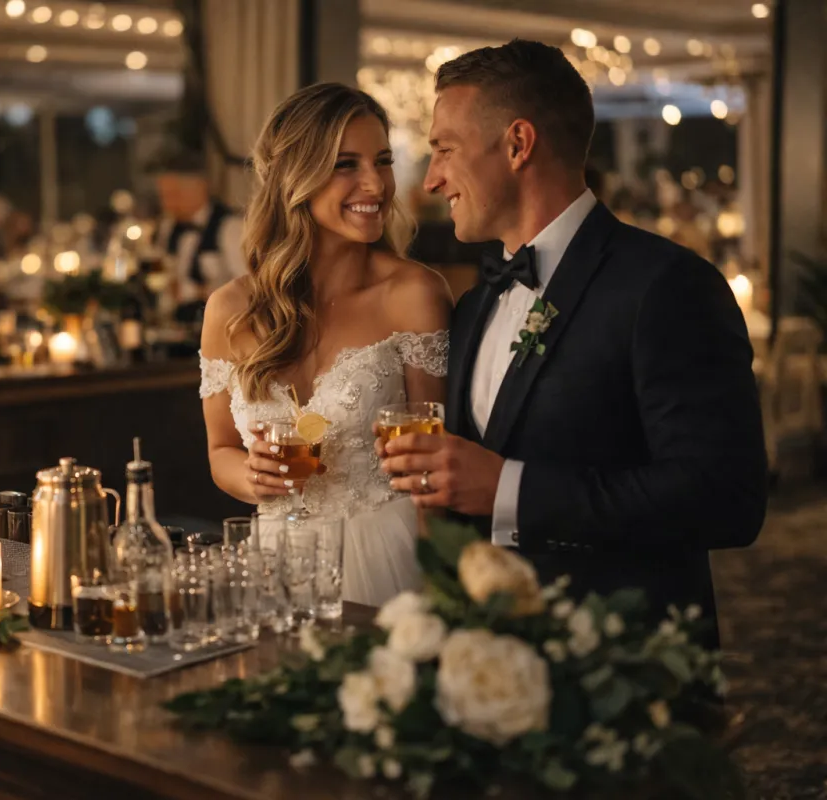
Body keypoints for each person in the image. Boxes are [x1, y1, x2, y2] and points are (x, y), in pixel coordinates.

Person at [379, 40, 766, 643]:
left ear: (518, 144)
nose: (431, 180)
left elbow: (726, 499)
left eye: (445, 150)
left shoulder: (667, 285)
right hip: (487, 658)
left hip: (626, 663)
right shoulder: (474, 303)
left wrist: (509, 489)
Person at [200, 84, 452, 606]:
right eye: (345, 164)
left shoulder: (414, 295)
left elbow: (434, 463)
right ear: (295, 178)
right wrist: (252, 476)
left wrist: (442, 592)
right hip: (276, 563)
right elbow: (220, 450)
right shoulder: (229, 310)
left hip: (389, 558)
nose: (375, 184)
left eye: (382, 161)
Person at [152, 149, 247, 322]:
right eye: (163, 196)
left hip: (220, 327)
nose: (166, 204)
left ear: (199, 188)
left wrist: (195, 291)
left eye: (173, 194)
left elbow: (248, 288)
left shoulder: (230, 228)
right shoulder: (168, 228)